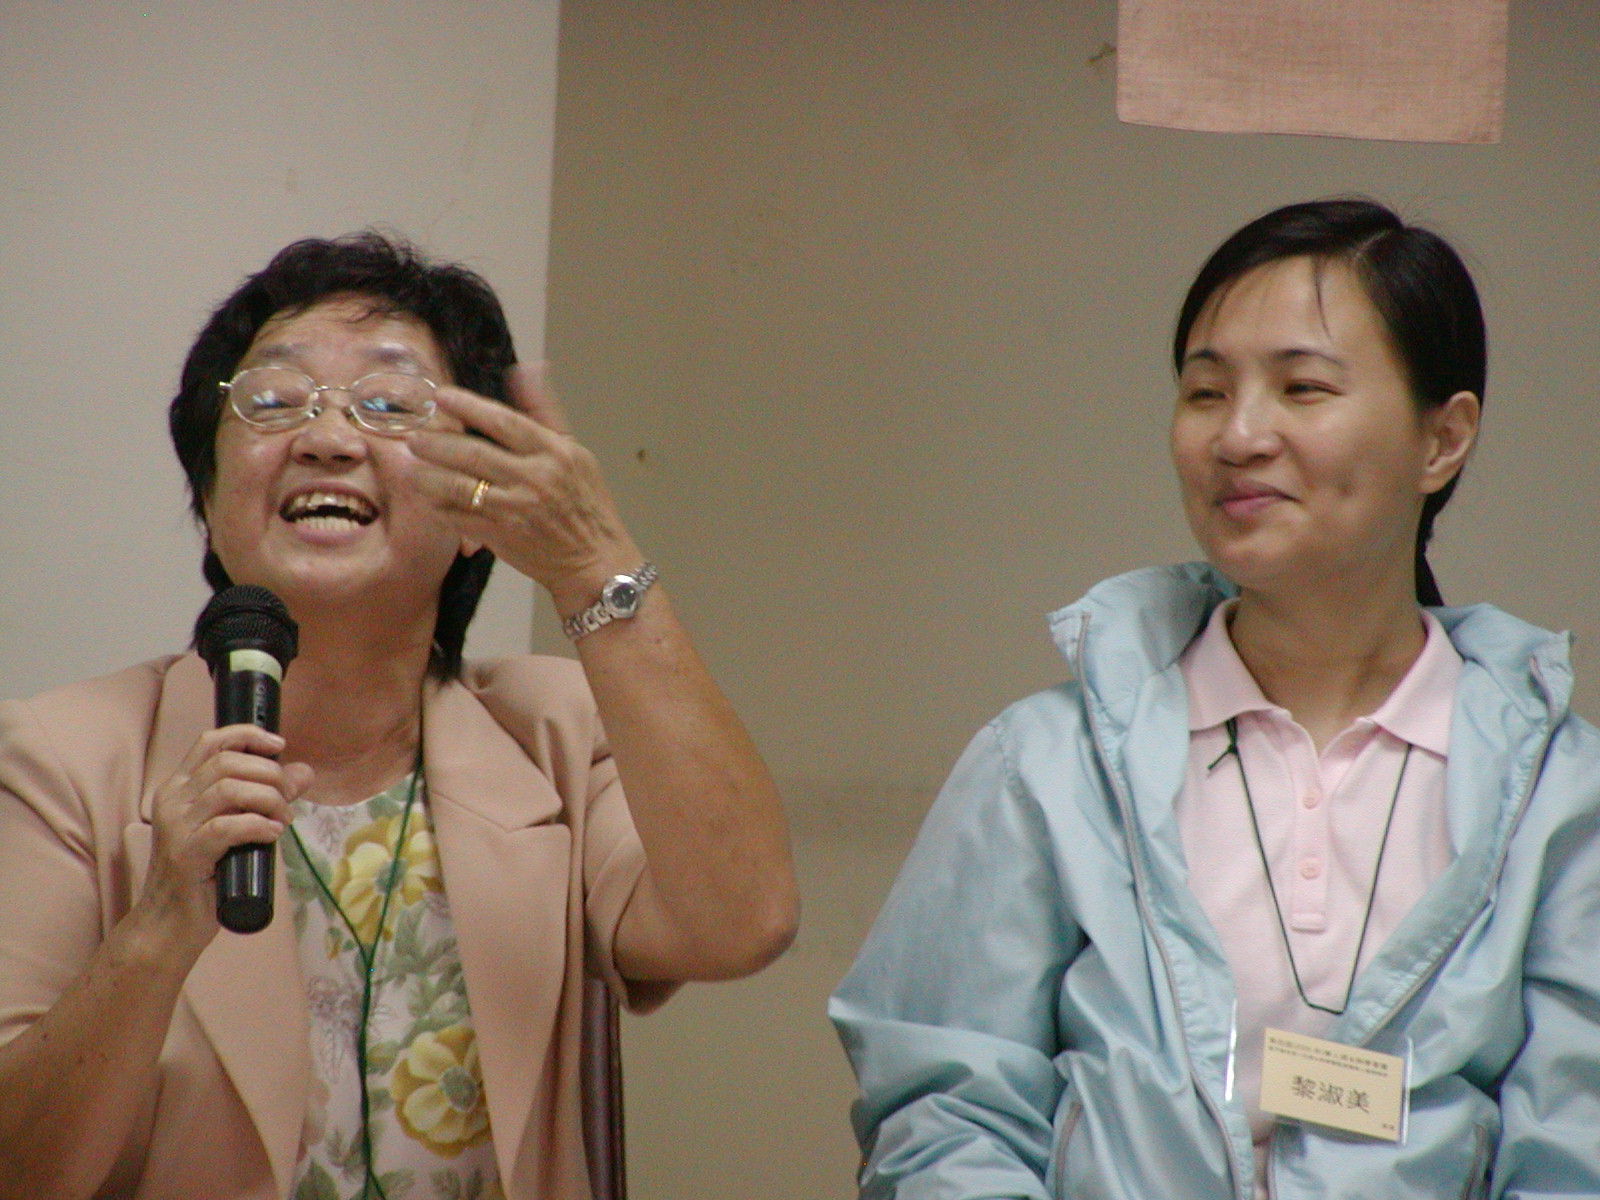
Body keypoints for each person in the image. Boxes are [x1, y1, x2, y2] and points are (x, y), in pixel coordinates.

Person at [0, 233, 799, 1200]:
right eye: (274, 400)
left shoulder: (552, 732)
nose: (328, 438)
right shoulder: (64, 758)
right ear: (208, 498)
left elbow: (742, 922)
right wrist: (158, 928)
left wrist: (596, 562)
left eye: (388, 405)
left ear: (476, 516)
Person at [829, 198, 1600, 1198]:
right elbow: (942, 1111)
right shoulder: (1047, 765)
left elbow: (1575, 1145)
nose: (1238, 435)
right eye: (1204, 392)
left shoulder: (1560, 798)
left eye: (1302, 387)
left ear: (1441, 440)